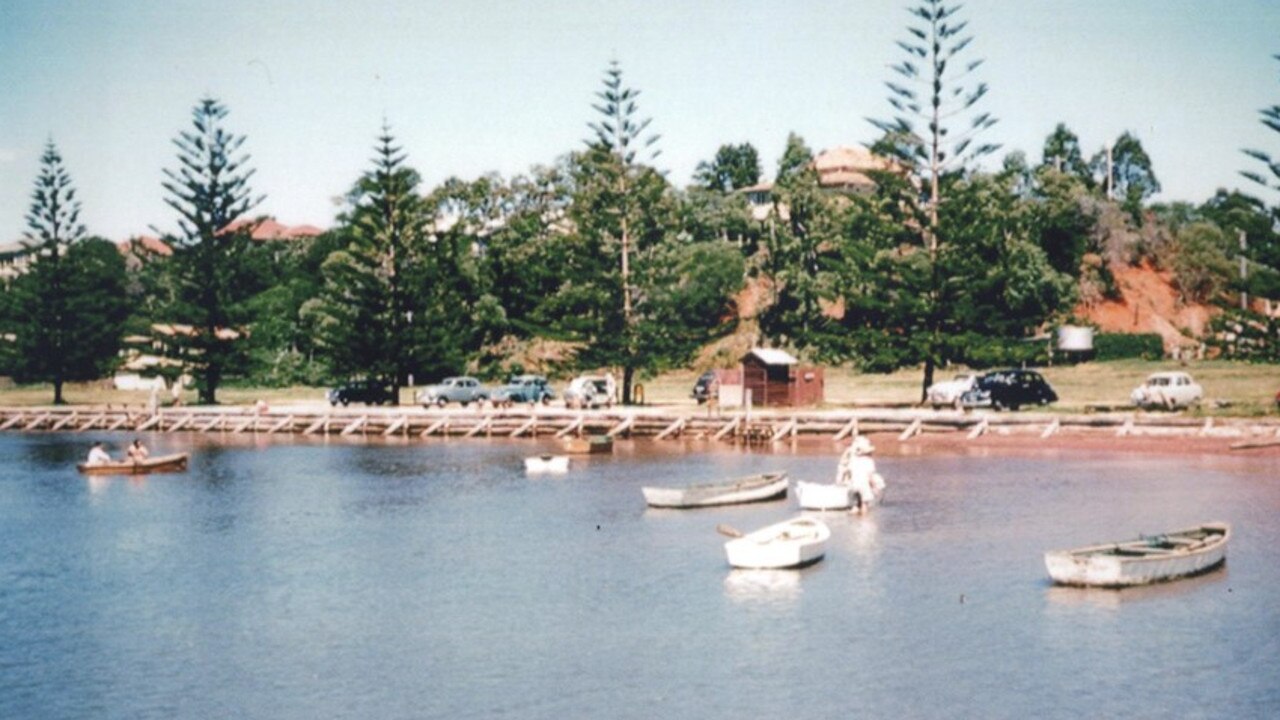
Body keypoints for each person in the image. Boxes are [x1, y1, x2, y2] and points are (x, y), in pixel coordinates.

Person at [836, 435, 885, 512]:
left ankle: (854, 518)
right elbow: (870, 477)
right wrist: (875, 487)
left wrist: (843, 481)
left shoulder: (853, 461)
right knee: (864, 504)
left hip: (854, 485)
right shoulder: (869, 462)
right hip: (863, 486)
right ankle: (863, 519)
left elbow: (848, 473)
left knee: (856, 505)